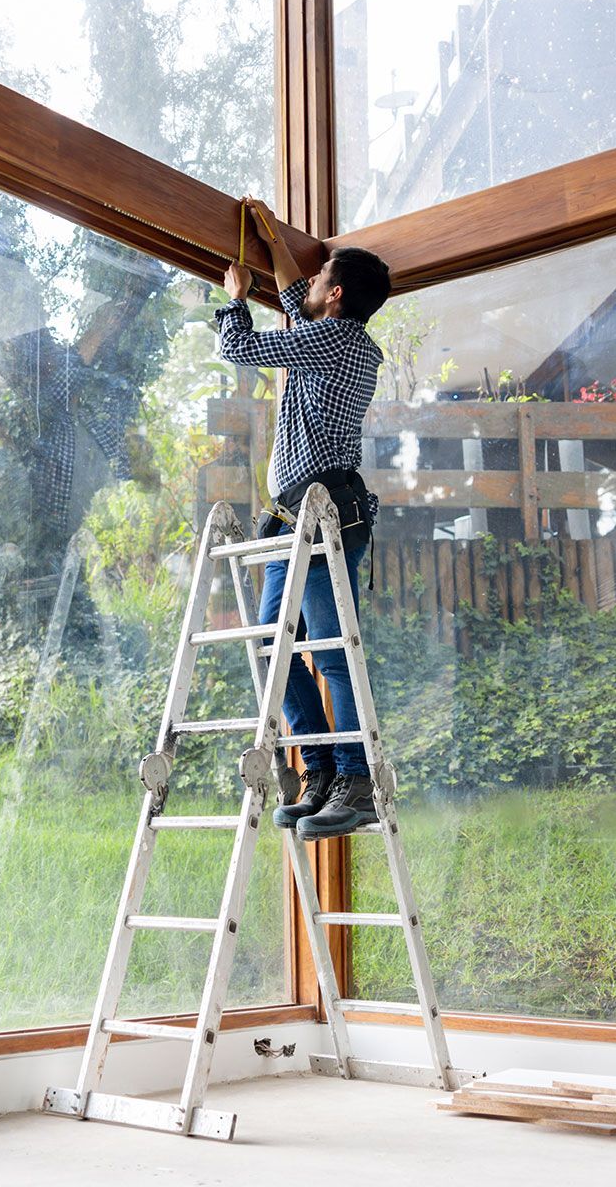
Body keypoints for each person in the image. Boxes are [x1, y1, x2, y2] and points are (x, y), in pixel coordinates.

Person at [215, 197, 392, 840]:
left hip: (324, 520)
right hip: (294, 520)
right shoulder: (334, 333)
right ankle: (318, 772)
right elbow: (295, 293)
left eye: (321, 278)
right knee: (272, 647)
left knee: (329, 653)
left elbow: (241, 344)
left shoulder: (336, 340)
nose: (307, 284)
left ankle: (355, 782)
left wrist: (237, 295)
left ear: (337, 295)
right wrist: (267, 230)